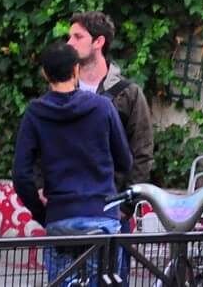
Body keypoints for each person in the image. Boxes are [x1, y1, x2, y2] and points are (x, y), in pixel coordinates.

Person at [15, 42, 133, 286]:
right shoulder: (102, 107)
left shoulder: (35, 113)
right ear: (76, 70)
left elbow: (21, 174)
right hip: (102, 216)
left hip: (60, 218)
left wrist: (42, 212)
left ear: (45, 74)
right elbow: (125, 160)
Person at [67, 11, 154, 187]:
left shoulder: (129, 94)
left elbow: (142, 154)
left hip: (110, 203)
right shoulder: (62, 89)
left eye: (78, 37)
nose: (69, 43)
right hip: (66, 201)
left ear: (98, 42)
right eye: (69, 37)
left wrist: (125, 205)